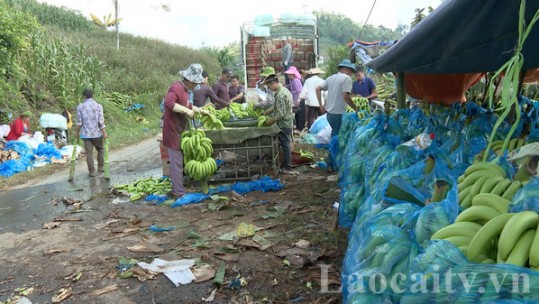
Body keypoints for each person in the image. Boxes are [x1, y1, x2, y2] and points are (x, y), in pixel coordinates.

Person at [162, 63, 206, 198]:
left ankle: (178, 188)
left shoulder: (186, 91)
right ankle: (178, 193)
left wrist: (199, 110)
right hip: (173, 130)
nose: (195, 85)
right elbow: (168, 103)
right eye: (195, 82)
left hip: (181, 130)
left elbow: (187, 104)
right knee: (176, 164)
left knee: (179, 162)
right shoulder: (176, 87)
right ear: (190, 80)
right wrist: (186, 111)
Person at [316, 59, 358, 170]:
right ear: (345, 69)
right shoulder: (346, 78)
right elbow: (345, 96)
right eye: (351, 71)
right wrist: (355, 108)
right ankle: (331, 163)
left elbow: (318, 89)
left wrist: (321, 105)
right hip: (339, 113)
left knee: (335, 136)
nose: (351, 74)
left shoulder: (331, 78)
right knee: (337, 138)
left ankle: (333, 161)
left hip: (330, 113)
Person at [262, 74, 295, 174]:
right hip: (288, 121)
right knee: (285, 144)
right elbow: (278, 106)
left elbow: (281, 113)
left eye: (269, 87)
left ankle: (288, 167)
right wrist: (268, 111)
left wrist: (271, 120)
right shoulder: (283, 91)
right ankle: (285, 164)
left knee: (285, 145)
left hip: (284, 123)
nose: (270, 89)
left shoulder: (280, 95)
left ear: (273, 83)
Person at [74, 89, 107, 177]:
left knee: (89, 154)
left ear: (84, 96)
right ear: (92, 95)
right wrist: (104, 132)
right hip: (97, 133)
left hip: (86, 135)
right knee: (100, 149)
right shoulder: (98, 106)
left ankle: (92, 171)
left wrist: (76, 132)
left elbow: (79, 122)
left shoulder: (80, 107)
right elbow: (101, 121)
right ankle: (100, 166)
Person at [284, 66, 304, 131]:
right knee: (297, 115)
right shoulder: (293, 80)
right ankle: (298, 128)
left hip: (299, 99)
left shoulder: (295, 80)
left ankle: (300, 129)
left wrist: (290, 92)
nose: (288, 76)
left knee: (299, 115)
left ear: (292, 74)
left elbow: (298, 90)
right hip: (297, 99)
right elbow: (289, 86)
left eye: (289, 74)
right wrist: (284, 86)